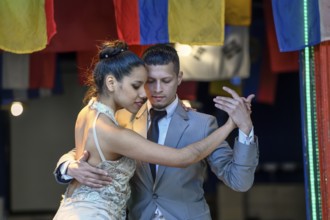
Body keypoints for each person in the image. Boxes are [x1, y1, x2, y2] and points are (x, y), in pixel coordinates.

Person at [54, 43, 258, 220]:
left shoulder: (202, 124)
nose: (157, 89)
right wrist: (68, 166)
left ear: (179, 78)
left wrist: (245, 129)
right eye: (149, 81)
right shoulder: (122, 119)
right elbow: (90, 148)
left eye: (166, 81)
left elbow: (239, 182)